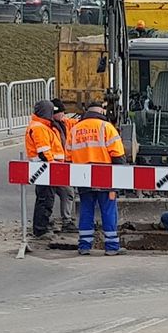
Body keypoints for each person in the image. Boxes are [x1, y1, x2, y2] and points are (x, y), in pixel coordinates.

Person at [67, 103, 126, 256]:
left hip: (83, 177)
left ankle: (84, 246)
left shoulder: (75, 129)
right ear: (101, 111)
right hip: (106, 178)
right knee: (108, 209)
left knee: (86, 209)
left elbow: (68, 157)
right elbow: (118, 155)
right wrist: (120, 178)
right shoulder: (106, 127)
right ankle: (111, 247)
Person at [24, 99, 64, 239]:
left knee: (46, 198)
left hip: (45, 168)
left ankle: (43, 226)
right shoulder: (40, 128)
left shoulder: (42, 126)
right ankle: (41, 229)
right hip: (45, 169)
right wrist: (52, 165)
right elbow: (44, 151)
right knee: (45, 199)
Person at [49, 99, 78, 233]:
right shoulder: (49, 127)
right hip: (53, 166)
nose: (63, 116)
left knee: (56, 194)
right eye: (60, 113)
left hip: (61, 166)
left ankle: (55, 221)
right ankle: (66, 221)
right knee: (67, 192)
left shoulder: (63, 123)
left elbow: (77, 124)